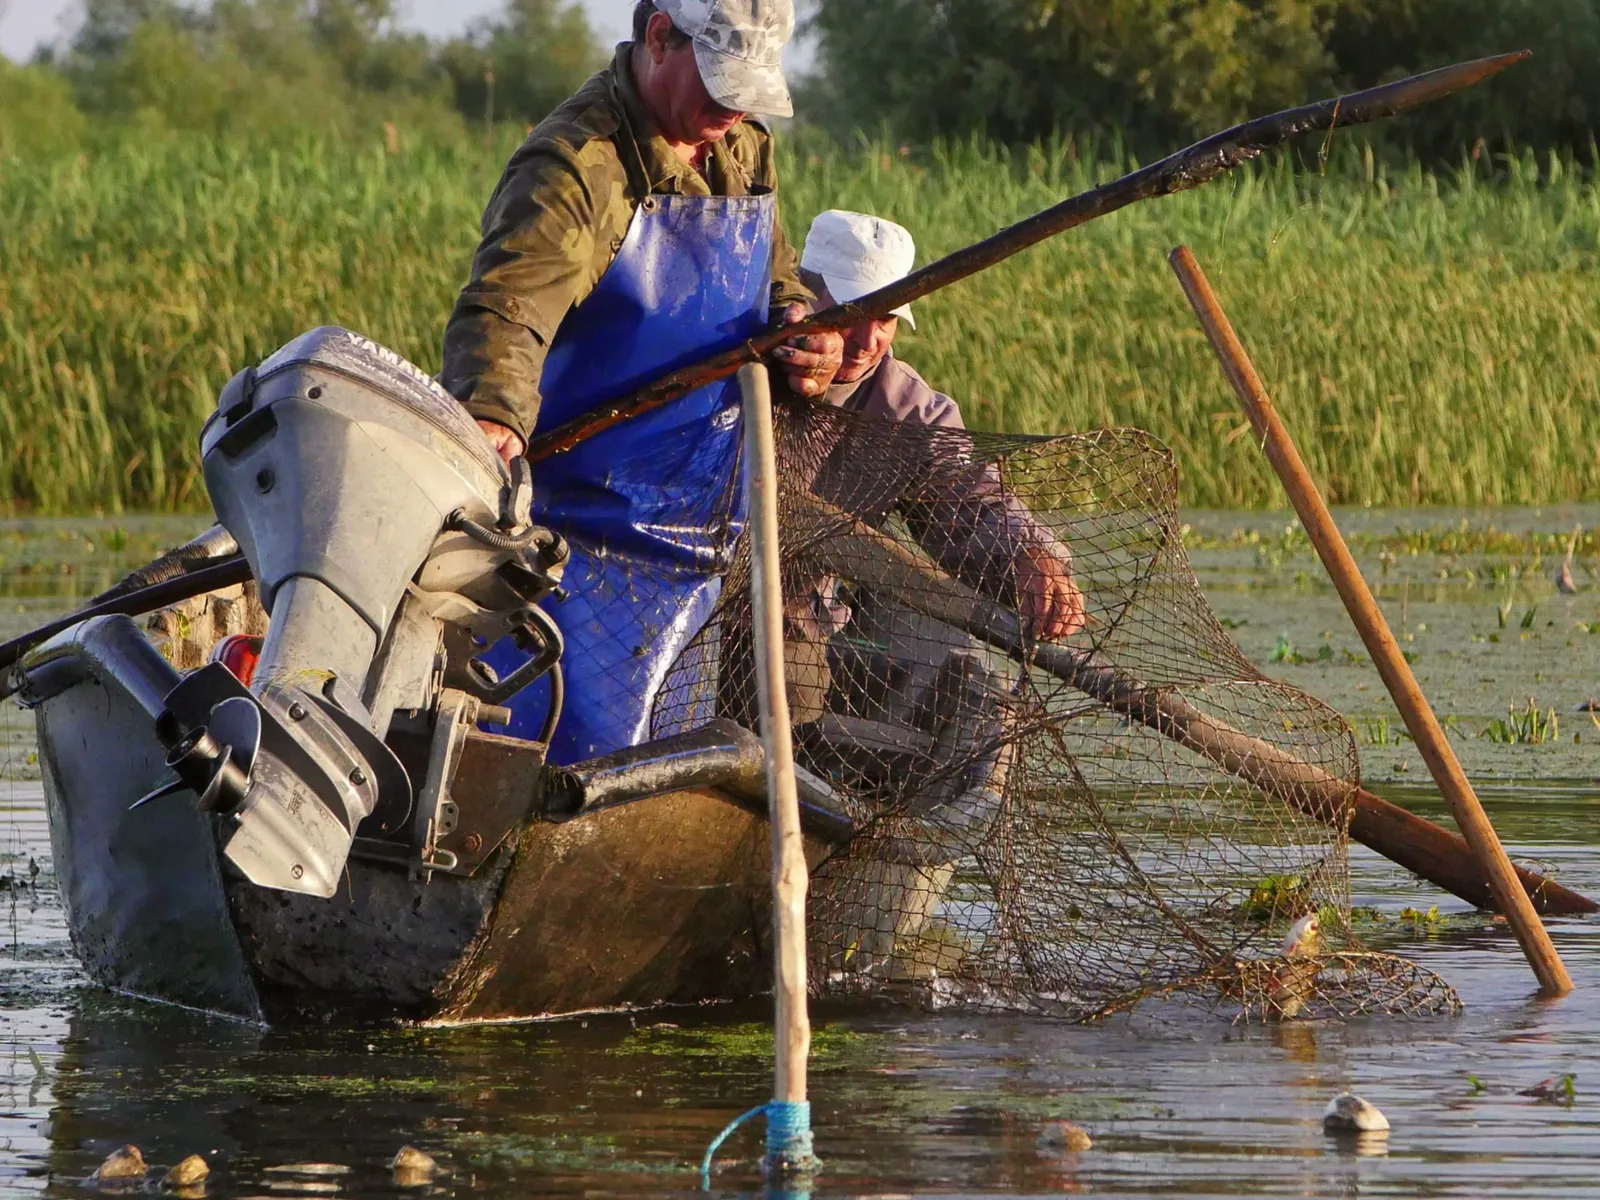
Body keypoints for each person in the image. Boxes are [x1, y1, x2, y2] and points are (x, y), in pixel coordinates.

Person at [438, 0, 845, 764]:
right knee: (556, 764)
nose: (734, 107)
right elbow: (508, 312)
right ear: (660, 35)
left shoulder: (744, 148)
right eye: (721, 82)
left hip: (696, 545)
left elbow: (775, 276)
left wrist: (801, 332)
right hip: (573, 545)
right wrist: (493, 415)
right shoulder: (576, 166)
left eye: (748, 89)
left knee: (666, 766)